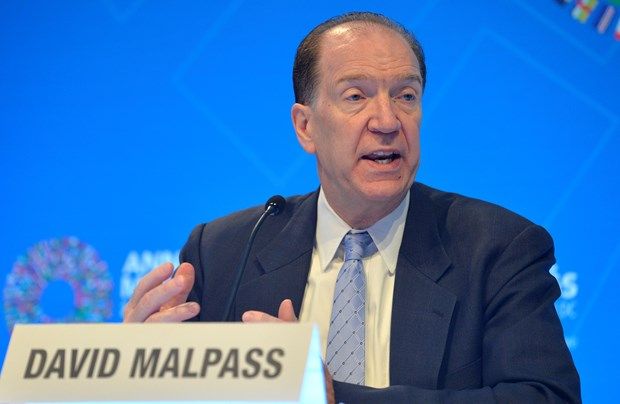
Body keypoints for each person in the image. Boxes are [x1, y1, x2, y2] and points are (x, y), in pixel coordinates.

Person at [124, 11, 581, 403]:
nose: (387, 121)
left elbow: (545, 397)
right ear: (305, 127)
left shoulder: (497, 248)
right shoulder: (224, 252)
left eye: (406, 96)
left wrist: (335, 398)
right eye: (356, 96)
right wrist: (139, 372)